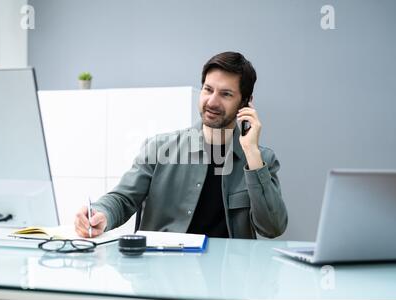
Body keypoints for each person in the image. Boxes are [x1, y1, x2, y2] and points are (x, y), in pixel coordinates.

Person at [74, 51, 288, 239]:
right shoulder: (159, 149)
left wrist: (251, 152)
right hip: (162, 274)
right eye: (208, 89)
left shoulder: (261, 160)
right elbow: (123, 198)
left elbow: (273, 228)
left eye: (226, 94)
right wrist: (101, 213)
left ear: (245, 103)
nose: (212, 101)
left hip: (228, 281)